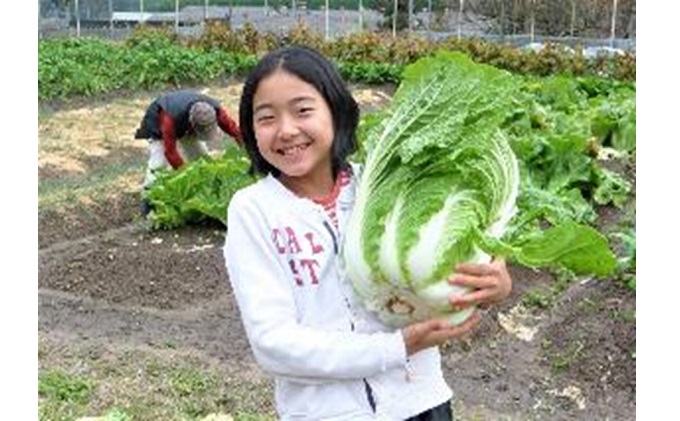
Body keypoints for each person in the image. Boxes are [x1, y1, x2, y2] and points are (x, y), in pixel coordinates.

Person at [223, 46, 513, 420]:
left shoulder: (385, 180)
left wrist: (494, 286)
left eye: (303, 110)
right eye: (266, 118)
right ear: (250, 130)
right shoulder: (253, 210)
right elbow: (273, 344)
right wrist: (396, 347)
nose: (286, 130)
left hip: (421, 402)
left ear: (336, 110)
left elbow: (467, 255)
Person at [134, 90, 242, 215]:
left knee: (202, 158)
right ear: (191, 123)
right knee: (158, 163)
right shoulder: (169, 119)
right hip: (158, 123)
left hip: (184, 122)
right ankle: (148, 199)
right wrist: (187, 177)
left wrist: (248, 149)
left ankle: (208, 189)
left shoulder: (214, 111)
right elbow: (170, 152)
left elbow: (234, 130)